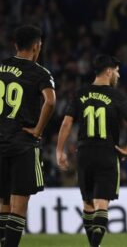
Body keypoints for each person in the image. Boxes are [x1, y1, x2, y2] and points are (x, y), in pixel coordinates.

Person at [56, 55, 127, 247]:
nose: (118, 75)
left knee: (88, 205)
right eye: (117, 71)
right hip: (107, 152)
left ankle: (94, 245)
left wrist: (59, 151)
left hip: (84, 152)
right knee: (101, 204)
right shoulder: (116, 95)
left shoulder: (80, 93)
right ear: (109, 71)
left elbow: (67, 123)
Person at [0, 25, 56, 247]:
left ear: (15, 45)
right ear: (36, 46)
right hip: (22, 144)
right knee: (18, 205)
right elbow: (50, 101)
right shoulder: (39, 72)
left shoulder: (1, 67)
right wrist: (38, 130)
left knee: (3, 203)